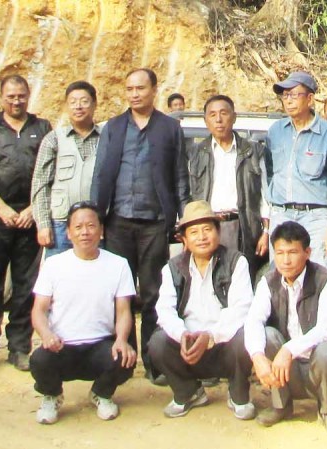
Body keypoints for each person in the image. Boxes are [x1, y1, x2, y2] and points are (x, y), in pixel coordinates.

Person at [91, 68, 191, 384]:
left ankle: (152, 360)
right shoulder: (114, 127)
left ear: (153, 90)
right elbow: (100, 174)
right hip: (117, 220)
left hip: (155, 222)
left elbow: (179, 176)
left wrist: (182, 218)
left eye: (140, 88)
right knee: (120, 294)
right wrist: (97, 216)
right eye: (129, 88)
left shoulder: (170, 128)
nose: (135, 94)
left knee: (152, 293)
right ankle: (123, 359)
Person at [0, 74, 53, 378]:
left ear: (28, 95)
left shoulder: (42, 128)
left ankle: (19, 347)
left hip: (31, 217)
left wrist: (35, 209)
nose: (16, 101)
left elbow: (50, 170)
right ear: (1, 97)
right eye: (10, 96)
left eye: (21, 95)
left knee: (26, 285)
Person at [29, 201, 136, 424]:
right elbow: (39, 310)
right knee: (39, 360)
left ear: (102, 230)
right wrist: (46, 336)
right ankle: (52, 395)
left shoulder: (118, 265)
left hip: (99, 346)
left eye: (91, 226)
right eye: (78, 227)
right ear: (68, 233)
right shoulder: (54, 264)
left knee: (125, 358)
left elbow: (124, 311)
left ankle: (102, 393)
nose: (85, 232)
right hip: (62, 346)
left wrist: (122, 340)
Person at [149, 201, 254, 420]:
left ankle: (238, 394)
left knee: (246, 336)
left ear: (218, 232)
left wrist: (211, 336)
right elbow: (164, 310)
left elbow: (242, 309)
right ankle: (188, 393)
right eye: (194, 232)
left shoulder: (237, 262)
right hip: (188, 345)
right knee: (157, 342)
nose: (202, 237)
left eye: (207, 229)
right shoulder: (172, 268)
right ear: (184, 240)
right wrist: (183, 334)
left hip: (223, 343)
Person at [242, 220, 327, 432]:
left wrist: (289, 349)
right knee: (267, 336)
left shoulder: (325, 280)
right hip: (286, 370)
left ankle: (326, 409)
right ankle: (281, 406)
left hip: (318, 366)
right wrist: (257, 356)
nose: (285, 260)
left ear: (307, 252)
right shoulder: (268, 281)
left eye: (292, 252)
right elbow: (253, 320)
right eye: (280, 253)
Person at [263, 71, 327, 270]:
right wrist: (266, 226)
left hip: (316, 217)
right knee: (280, 275)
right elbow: (269, 179)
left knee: (319, 274)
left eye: (294, 95)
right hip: (281, 213)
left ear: (309, 99)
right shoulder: (275, 131)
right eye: (285, 96)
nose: (288, 101)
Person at [188, 95, 268, 277]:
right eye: (213, 114)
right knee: (209, 279)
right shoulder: (195, 154)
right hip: (208, 227)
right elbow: (190, 195)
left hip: (243, 227)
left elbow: (264, 194)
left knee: (242, 280)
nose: (218, 119)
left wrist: (266, 231)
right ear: (205, 120)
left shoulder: (252, 152)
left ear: (234, 117)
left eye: (224, 113)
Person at [31, 81, 102, 256]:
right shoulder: (53, 139)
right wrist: (43, 225)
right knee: (59, 278)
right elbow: (40, 184)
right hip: (60, 225)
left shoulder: (107, 138)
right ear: (66, 106)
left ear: (94, 104)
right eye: (73, 102)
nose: (78, 107)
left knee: (94, 277)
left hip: (95, 225)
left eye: (84, 101)